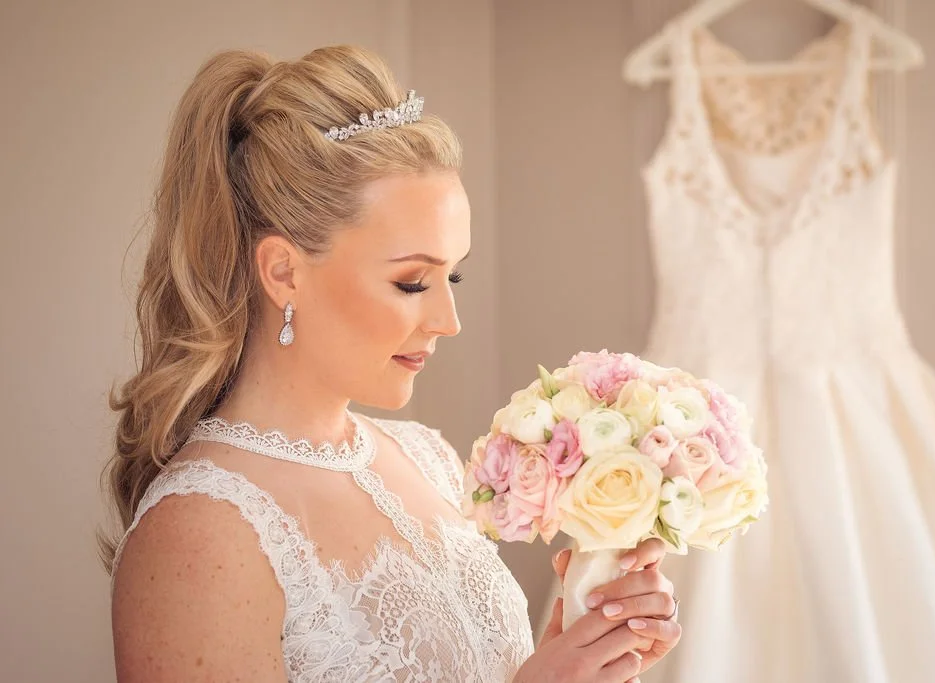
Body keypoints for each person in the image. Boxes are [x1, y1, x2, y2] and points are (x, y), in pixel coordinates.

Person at [99, 45, 682, 682]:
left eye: (453, 275)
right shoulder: (201, 531)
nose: (448, 321)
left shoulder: (424, 460)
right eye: (412, 283)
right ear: (284, 272)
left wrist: (576, 650)